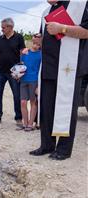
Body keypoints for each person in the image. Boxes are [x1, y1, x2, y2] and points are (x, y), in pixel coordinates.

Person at [30, 0, 88, 160]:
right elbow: (48, 37)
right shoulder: (45, 12)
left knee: (67, 107)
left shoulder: (80, 5)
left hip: (70, 67)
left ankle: (63, 149)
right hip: (49, 66)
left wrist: (62, 28)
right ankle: (46, 145)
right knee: (46, 108)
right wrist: (40, 39)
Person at [0, 18, 25, 126]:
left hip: (14, 73)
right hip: (0, 72)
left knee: (17, 95)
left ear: (10, 27)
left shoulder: (19, 38)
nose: (2, 29)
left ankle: (18, 118)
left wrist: (20, 72)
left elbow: (22, 56)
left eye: (3, 27)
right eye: (2, 27)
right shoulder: (0, 39)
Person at [17, 37, 41, 131]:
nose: (36, 45)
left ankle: (30, 124)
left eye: (38, 44)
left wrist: (39, 85)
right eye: (34, 43)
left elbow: (41, 71)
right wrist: (17, 74)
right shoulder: (25, 52)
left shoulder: (41, 55)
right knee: (23, 102)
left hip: (34, 80)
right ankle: (25, 123)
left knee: (33, 102)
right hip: (23, 80)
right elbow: (21, 65)